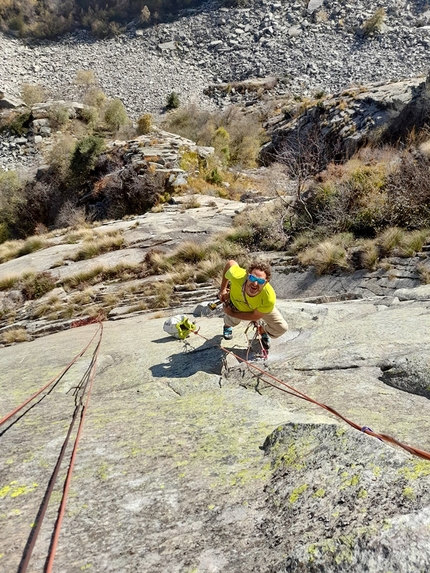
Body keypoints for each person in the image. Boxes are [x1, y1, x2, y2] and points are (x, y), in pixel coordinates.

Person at [217, 258, 288, 351]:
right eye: (252, 278)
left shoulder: (268, 297)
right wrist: (223, 289)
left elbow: (255, 316)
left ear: (266, 282)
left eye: (260, 281)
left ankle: (262, 330)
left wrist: (231, 313)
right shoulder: (237, 276)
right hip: (238, 303)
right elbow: (231, 263)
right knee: (232, 321)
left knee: (281, 327)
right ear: (247, 275)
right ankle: (227, 325)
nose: (255, 283)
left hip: (259, 308)